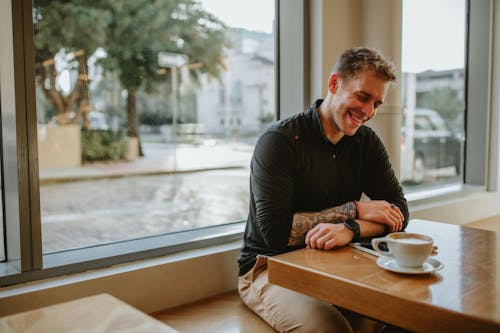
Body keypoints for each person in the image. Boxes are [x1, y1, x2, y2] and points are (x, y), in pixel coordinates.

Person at [237, 47, 409, 333]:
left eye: (377, 104)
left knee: (391, 316)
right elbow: (276, 233)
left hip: (336, 262)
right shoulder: (279, 141)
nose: (368, 112)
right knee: (331, 330)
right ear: (334, 84)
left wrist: (351, 228)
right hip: (269, 267)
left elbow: (399, 212)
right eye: (363, 96)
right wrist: (355, 209)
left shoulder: (367, 143)